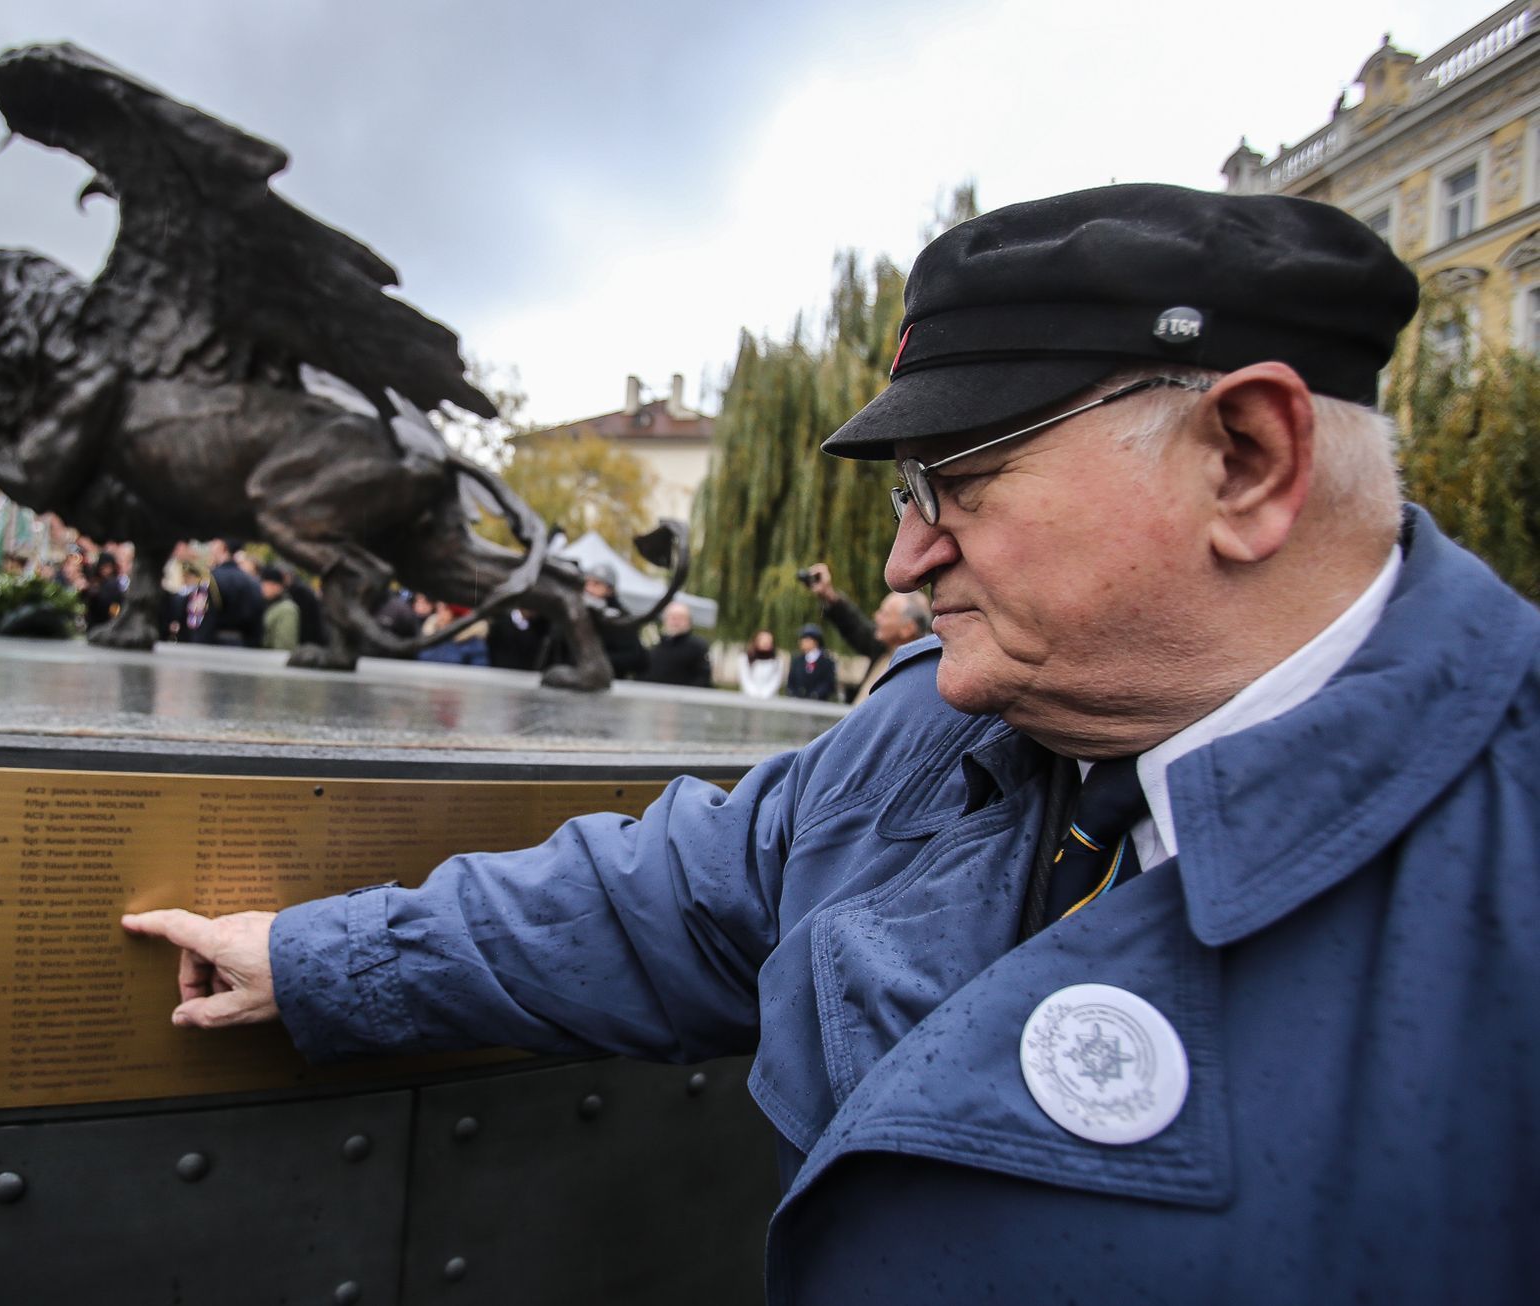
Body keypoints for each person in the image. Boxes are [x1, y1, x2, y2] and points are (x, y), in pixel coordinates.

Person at [120, 185, 1538, 1302]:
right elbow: (671, 896)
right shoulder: (938, 723)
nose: (907, 557)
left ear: (1245, 459)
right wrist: (321, 958)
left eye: (961, 482)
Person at [806, 565, 931, 701]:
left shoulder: (923, 671)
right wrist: (828, 594)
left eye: (885, 614)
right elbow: (853, 625)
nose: (876, 616)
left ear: (908, 629)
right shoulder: (883, 649)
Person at [582, 563, 648, 679]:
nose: (589, 589)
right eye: (587, 583)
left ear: (609, 590)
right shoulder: (578, 611)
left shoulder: (621, 618)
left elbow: (634, 658)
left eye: (596, 584)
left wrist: (597, 659)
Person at [643, 601, 712, 687]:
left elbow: (703, 677)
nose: (675, 622)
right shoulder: (656, 647)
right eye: (672, 618)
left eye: (681, 618)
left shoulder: (698, 646)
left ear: (688, 622)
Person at [783, 623, 837, 700]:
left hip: (819, 704)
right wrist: (793, 694)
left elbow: (829, 684)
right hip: (797, 702)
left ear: (815, 641)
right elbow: (791, 682)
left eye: (806, 639)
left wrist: (815, 695)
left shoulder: (826, 662)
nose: (801, 642)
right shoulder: (797, 661)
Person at [257, 564, 299, 650]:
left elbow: (285, 645)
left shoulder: (287, 609)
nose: (262, 588)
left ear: (277, 586)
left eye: (265, 584)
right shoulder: (267, 604)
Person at [734, 628, 785, 699]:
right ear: (756, 641)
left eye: (768, 640)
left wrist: (765, 695)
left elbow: (776, 681)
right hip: (748, 699)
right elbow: (745, 679)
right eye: (763, 639)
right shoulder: (744, 658)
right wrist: (754, 694)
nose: (766, 642)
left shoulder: (777, 661)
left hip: (769, 700)